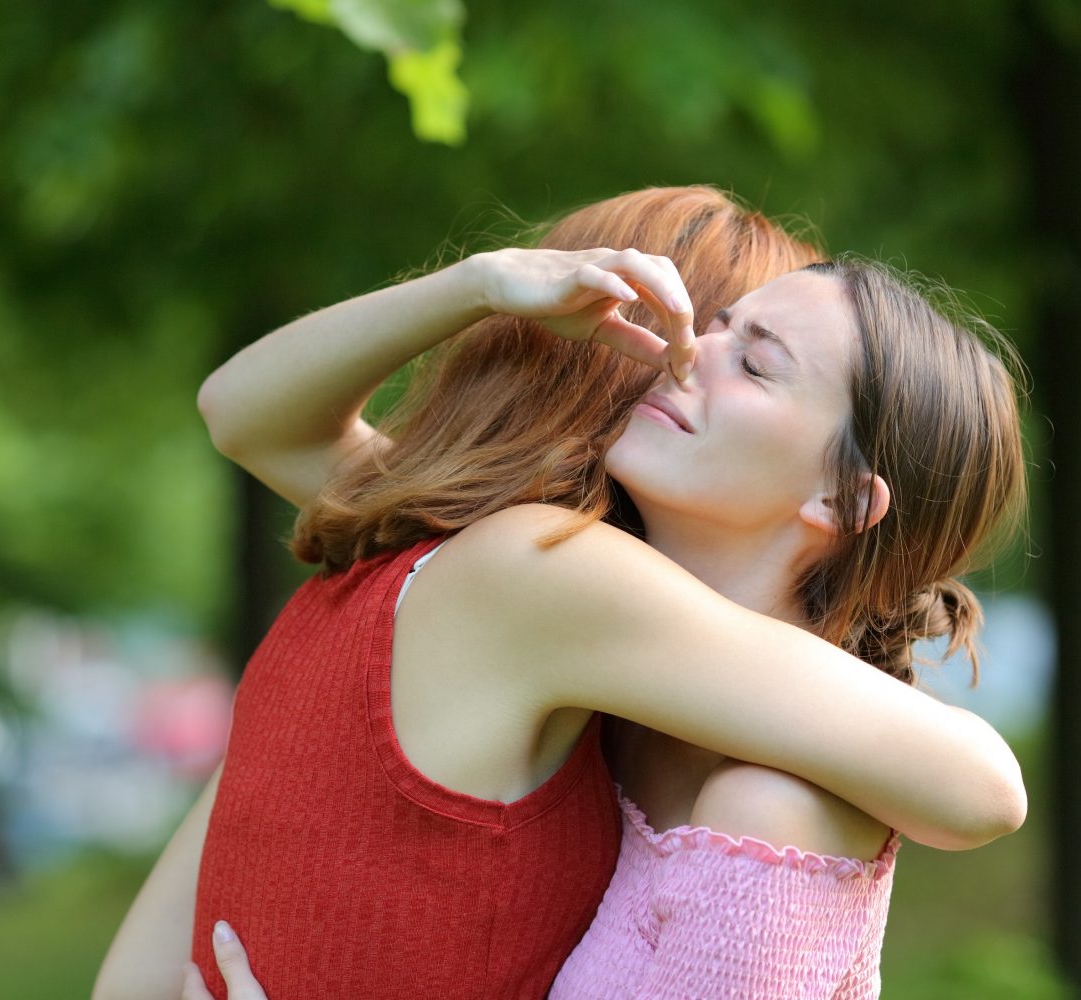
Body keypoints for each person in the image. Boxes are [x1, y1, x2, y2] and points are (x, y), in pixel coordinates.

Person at [93, 187, 1028, 1000]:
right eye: (709, 326)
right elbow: (244, 414)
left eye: (754, 362)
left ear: (841, 500)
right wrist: (482, 284)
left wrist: (480, 288)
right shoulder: (547, 608)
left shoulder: (551, 592)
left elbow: (987, 787)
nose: (683, 354)